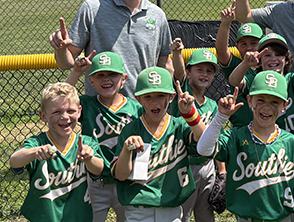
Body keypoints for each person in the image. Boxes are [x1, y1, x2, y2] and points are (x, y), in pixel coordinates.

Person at [49, 0, 173, 96]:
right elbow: (66, 64)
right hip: (101, 111)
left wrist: (166, 99)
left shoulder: (157, 15)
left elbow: (164, 64)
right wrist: (61, 50)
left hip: (143, 111)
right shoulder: (92, 9)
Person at [196, 72, 294, 222]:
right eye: (261, 100)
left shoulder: (290, 141)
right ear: (249, 101)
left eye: (275, 102)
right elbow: (203, 149)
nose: (267, 107)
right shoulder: (236, 137)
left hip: (284, 217)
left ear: (285, 106)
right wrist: (221, 118)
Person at [112, 66, 207, 222]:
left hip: (172, 208)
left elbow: (205, 141)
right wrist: (127, 150)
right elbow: (121, 175)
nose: (154, 102)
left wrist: (190, 114)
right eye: (148, 96)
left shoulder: (179, 126)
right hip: (138, 209)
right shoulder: (131, 130)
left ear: (171, 97)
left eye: (160, 95)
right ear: (139, 99)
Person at [9, 82, 106, 222]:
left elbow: (98, 170)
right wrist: (35, 152)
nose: (65, 117)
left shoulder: (85, 142)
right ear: (43, 116)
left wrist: (89, 158)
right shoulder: (38, 143)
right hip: (45, 217)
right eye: (57, 112)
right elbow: (14, 161)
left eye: (70, 111)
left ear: (79, 112)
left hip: (79, 216)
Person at [64, 52, 142, 222]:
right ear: (91, 81)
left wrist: (141, 176)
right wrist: (76, 72)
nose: (106, 79)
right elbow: (62, 98)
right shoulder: (87, 104)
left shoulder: (136, 108)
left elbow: (145, 143)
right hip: (95, 182)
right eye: (100, 75)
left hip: (128, 181)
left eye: (112, 74)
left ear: (124, 79)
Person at [169, 42, 220, 222]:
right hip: (184, 162)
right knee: (183, 213)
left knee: (205, 211)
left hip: (207, 165)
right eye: (199, 69)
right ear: (189, 73)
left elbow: (215, 139)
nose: (204, 74)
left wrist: (221, 171)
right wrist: (177, 53)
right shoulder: (183, 93)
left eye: (209, 71)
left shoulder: (213, 105)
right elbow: (179, 72)